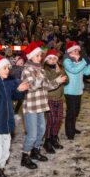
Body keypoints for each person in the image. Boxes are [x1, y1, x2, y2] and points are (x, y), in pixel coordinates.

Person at [20, 41, 66, 169]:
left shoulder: (40, 70)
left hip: (41, 105)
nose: (40, 58)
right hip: (31, 106)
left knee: (42, 130)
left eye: (41, 56)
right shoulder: (27, 70)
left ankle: (36, 150)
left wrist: (57, 80)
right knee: (32, 133)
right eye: (37, 56)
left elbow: (48, 86)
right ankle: (25, 155)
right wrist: (39, 77)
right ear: (30, 56)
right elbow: (32, 87)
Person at [62, 41, 90, 139]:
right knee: (71, 112)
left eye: (77, 50)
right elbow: (74, 70)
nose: (77, 51)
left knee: (76, 111)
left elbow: (87, 72)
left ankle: (72, 127)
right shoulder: (67, 61)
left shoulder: (79, 61)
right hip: (70, 91)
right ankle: (69, 132)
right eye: (74, 50)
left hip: (78, 90)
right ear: (69, 51)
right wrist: (85, 61)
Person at [42, 49, 66, 153]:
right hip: (49, 98)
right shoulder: (45, 70)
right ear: (46, 60)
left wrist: (59, 71)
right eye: (50, 58)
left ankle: (54, 138)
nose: (52, 60)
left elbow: (67, 79)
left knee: (59, 119)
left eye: (54, 58)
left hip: (60, 98)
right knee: (51, 120)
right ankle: (47, 141)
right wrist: (56, 74)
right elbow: (47, 83)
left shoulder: (60, 68)